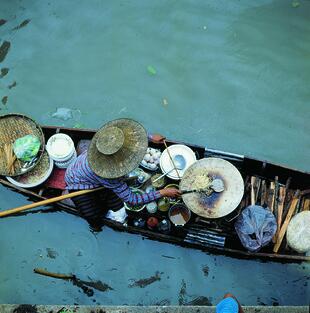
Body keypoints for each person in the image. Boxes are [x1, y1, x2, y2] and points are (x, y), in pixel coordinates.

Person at [65, 118, 180, 223]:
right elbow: (133, 200)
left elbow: (129, 136)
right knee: (93, 215)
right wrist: (163, 192)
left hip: (84, 171)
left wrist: (149, 137)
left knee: (114, 199)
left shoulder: (109, 140)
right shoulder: (107, 174)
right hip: (78, 184)